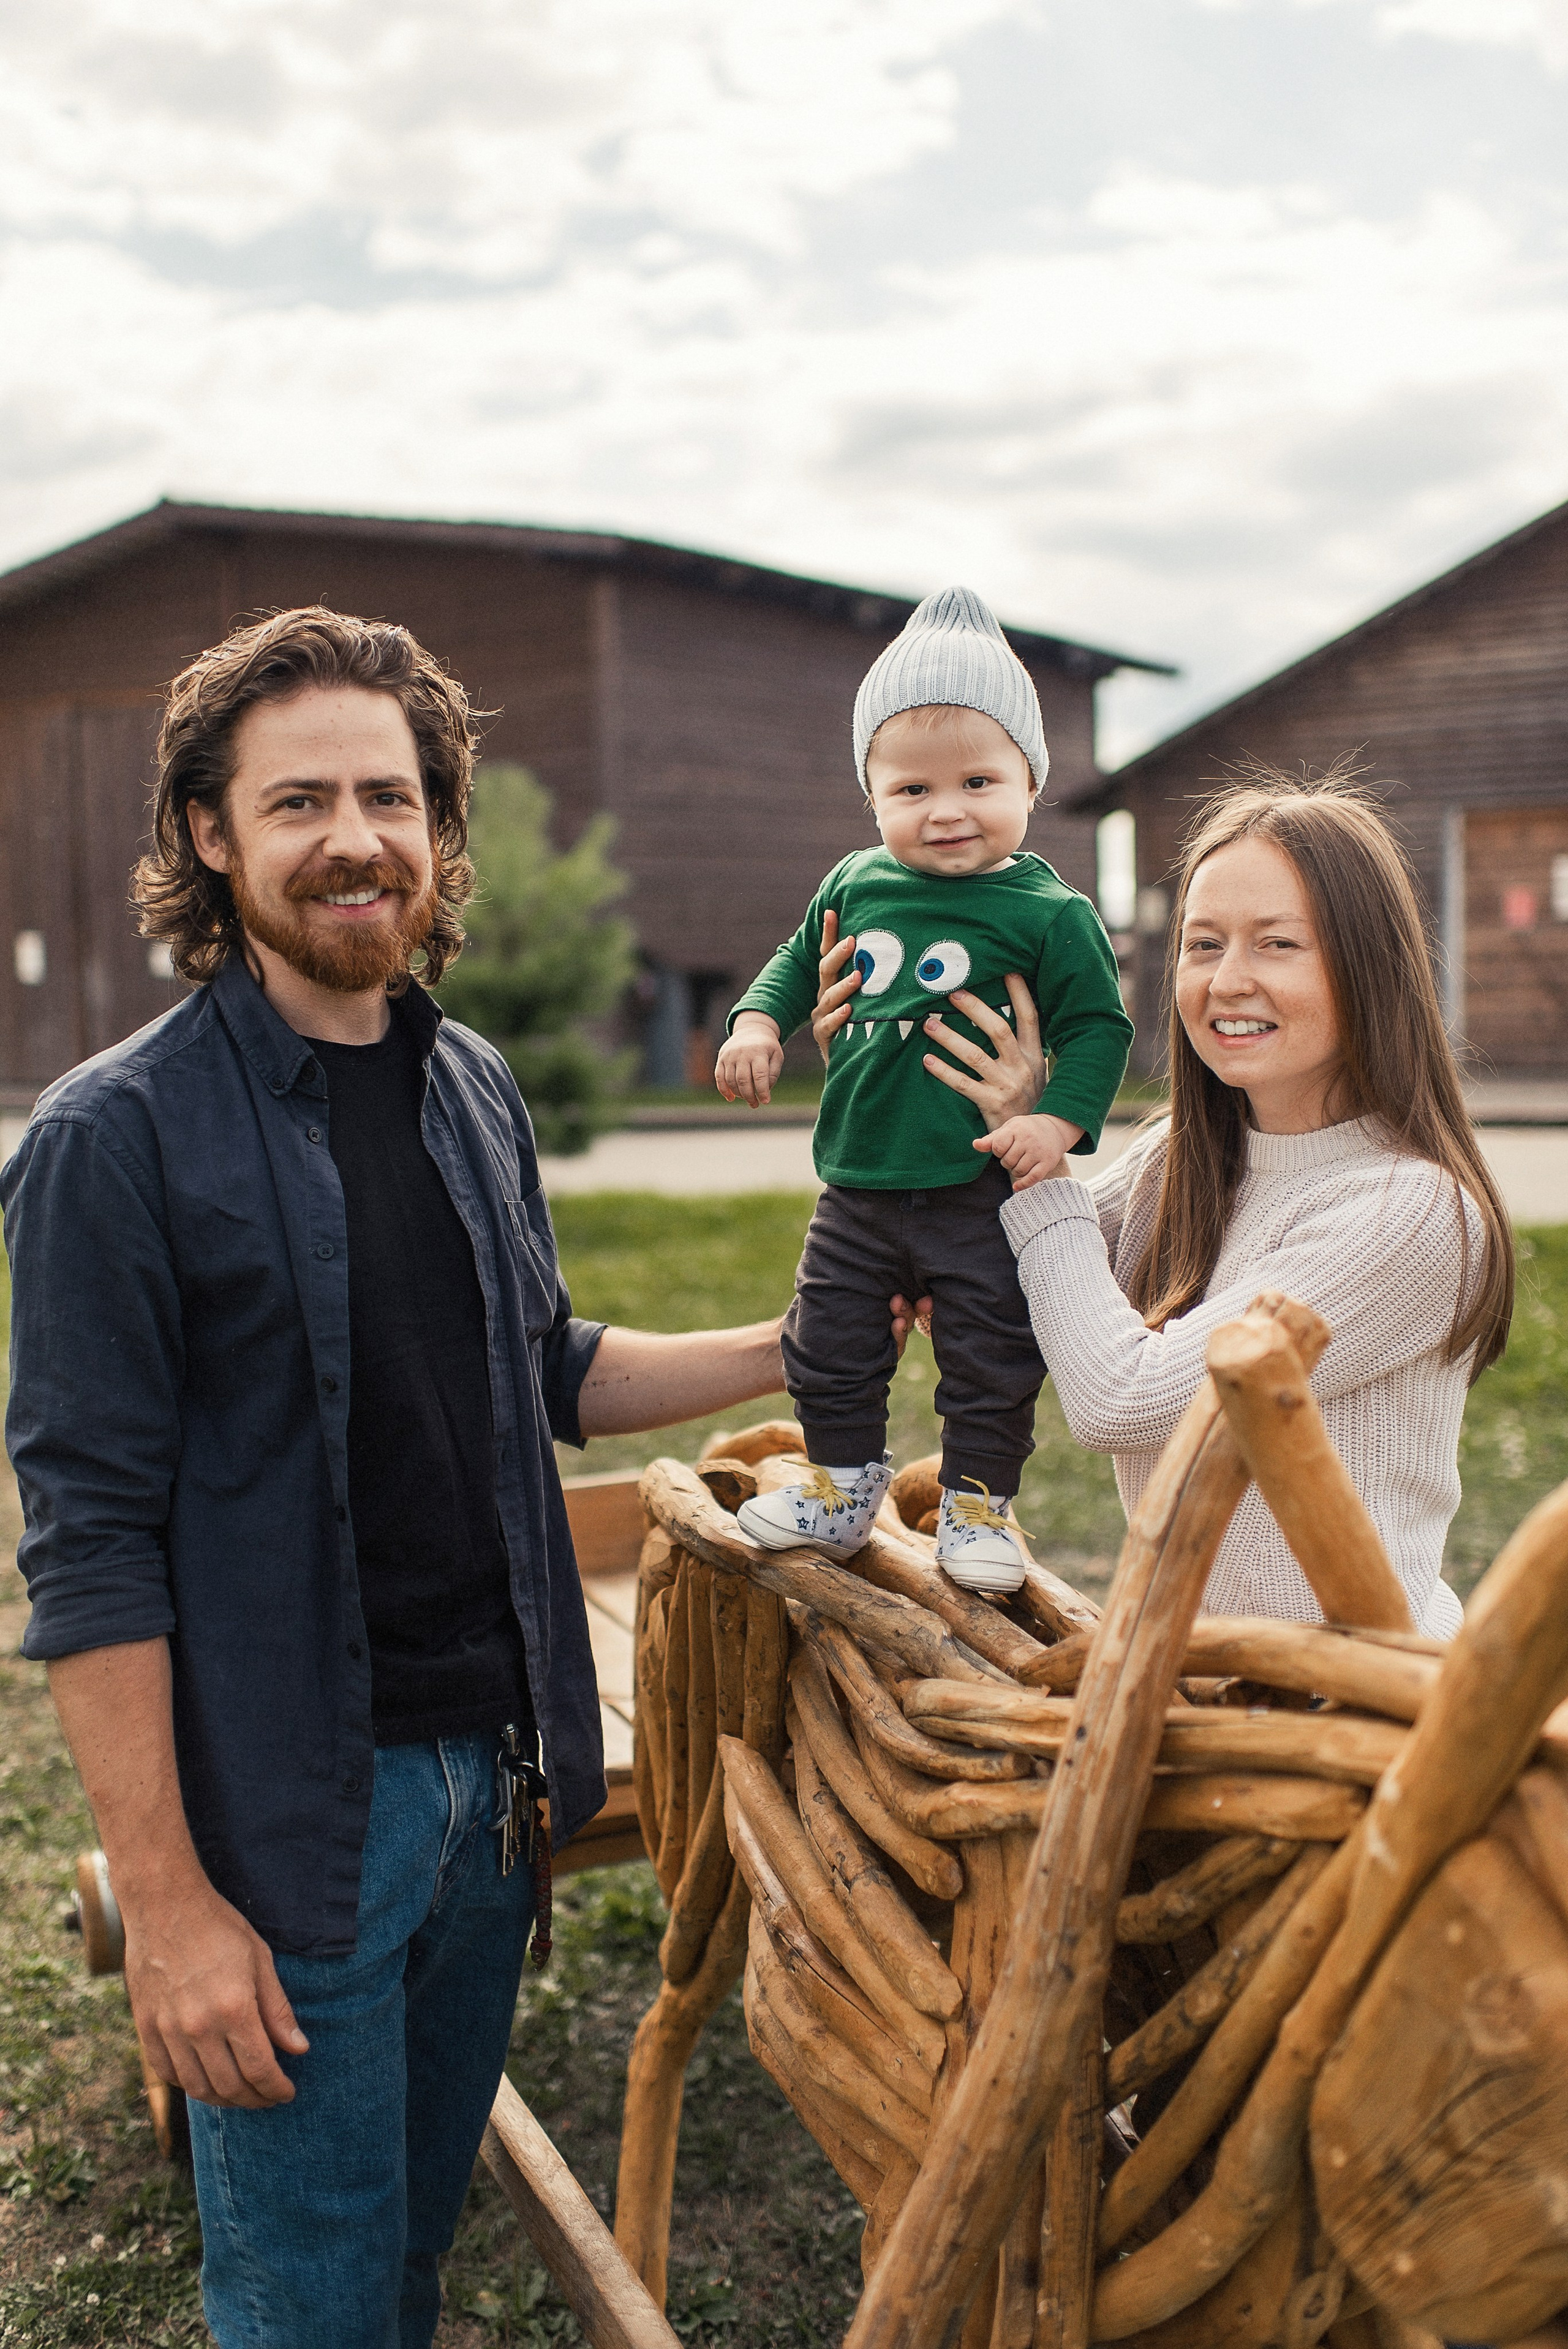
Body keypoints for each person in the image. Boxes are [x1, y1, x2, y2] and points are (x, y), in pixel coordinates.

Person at [0, 606, 820, 2349]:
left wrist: (791, 1343)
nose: (356, 836)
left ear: (441, 830)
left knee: (407, 2268)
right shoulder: (109, 1141)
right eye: (299, 802)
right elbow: (90, 1558)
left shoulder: (470, 1086)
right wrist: (167, 1910)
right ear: (210, 837)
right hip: (297, 1828)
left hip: (498, 1788)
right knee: (310, 2312)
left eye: (392, 794)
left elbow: (540, 1371)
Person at [820, 767, 1515, 1640]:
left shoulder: (1409, 1214)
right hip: (1196, 1683)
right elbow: (986, 1266)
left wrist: (1040, 1161)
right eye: (1204, 943)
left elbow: (1120, 1398)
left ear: (1368, 967)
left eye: (1277, 944)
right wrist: (875, 1061)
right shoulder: (1178, 1162)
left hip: (1352, 1707)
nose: (1226, 982)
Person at [715, 587, 1132, 1594]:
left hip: (977, 1187)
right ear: (872, 796)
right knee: (825, 1344)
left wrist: (1057, 1120)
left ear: (1031, 780)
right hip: (857, 1185)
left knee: (993, 1353)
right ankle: (843, 1483)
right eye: (910, 791)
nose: (945, 811)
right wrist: (758, 1023)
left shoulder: (1049, 911)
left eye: (979, 781)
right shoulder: (854, 881)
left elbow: (1097, 1029)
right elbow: (790, 961)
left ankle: (979, 1506)